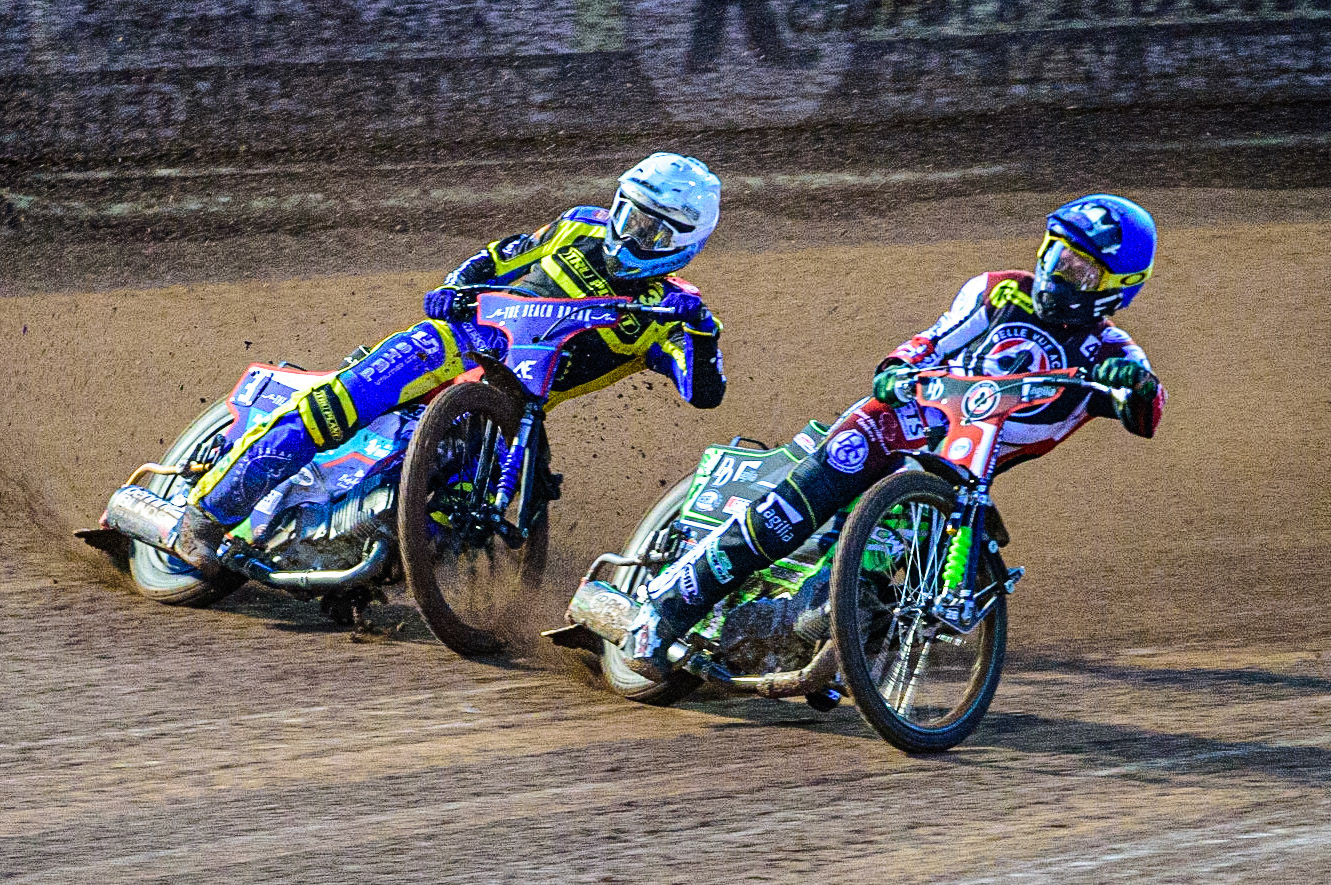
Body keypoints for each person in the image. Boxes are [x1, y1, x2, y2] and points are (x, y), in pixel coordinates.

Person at [623, 193, 1168, 680]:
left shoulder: (1112, 355)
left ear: (1116, 287)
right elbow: (932, 340)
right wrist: (898, 364)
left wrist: (1135, 388)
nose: (1058, 272)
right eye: (1055, 253)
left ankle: (833, 644)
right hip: (895, 421)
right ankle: (663, 609)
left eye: (1080, 269)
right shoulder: (999, 292)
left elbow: (1149, 412)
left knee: (896, 584)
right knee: (787, 512)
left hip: (957, 477)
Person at [173, 152, 727, 575]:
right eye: (628, 215)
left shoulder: (674, 314)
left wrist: (700, 327)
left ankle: (361, 555)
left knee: (459, 501)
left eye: (651, 230)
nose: (629, 234)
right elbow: (499, 255)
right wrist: (455, 287)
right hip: (458, 341)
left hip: (510, 408)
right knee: (340, 402)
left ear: (685, 243)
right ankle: (205, 515)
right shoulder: (579, 226)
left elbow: (704, 391)